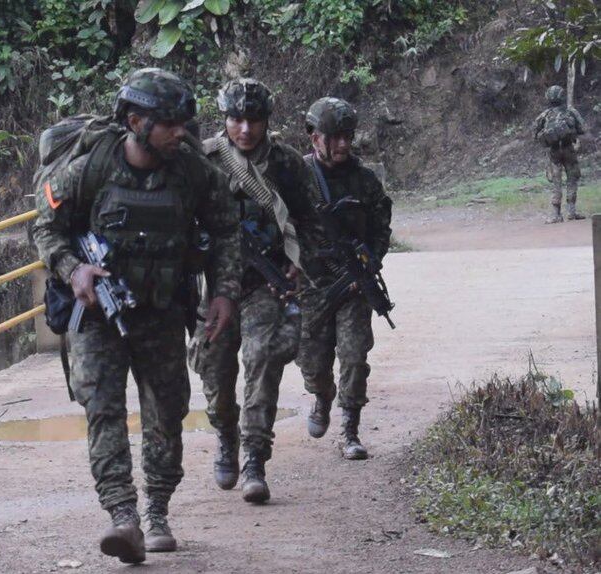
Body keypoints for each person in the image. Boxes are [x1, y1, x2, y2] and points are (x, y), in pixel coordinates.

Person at [32, 68, 241, 563]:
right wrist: (73, 268)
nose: (179, 133)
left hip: (163, 311)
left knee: (166, 412)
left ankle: (159, 511)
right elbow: (46, 227)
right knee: (103, 411)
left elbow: (226, 229)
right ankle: (123, 517)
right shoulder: (91, 167)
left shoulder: (192, 171)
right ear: (134, 121)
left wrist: (224, 292)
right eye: (168, 123)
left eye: (182, 123)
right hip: (98, 315)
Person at [188, 78, 314, 503]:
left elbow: (309, 221)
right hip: (214, 286)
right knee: (216, 374)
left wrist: (298, 263)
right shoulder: (203, 160)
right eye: (236, 119)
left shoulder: (286, 164)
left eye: (254, 120)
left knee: (262, 362)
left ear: (266, 121)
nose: (245, 129)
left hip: (265, 284)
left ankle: (255, 458)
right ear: (223, 119)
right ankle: (226, 438)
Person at [293, 97, 392, 460]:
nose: (343, 144)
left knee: (354, 355)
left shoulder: (363, 180)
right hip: (312, 285)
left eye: (348, 136)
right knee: (312, 363)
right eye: (335, 137)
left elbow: (382, 225)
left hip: (352, 284)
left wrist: (370, 263)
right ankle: (321, 396)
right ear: (314, 137)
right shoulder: (298, 176)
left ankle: (350, 428)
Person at [532, 85, 587, 223]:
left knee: (556, 181)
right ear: (562, 97)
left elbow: (534, 134)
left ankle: (556, 215)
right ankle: (572, 212)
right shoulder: (571, 112)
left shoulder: (544, 115)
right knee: (572, 179)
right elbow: (582, 129)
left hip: (553, 152)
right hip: (569, 150)